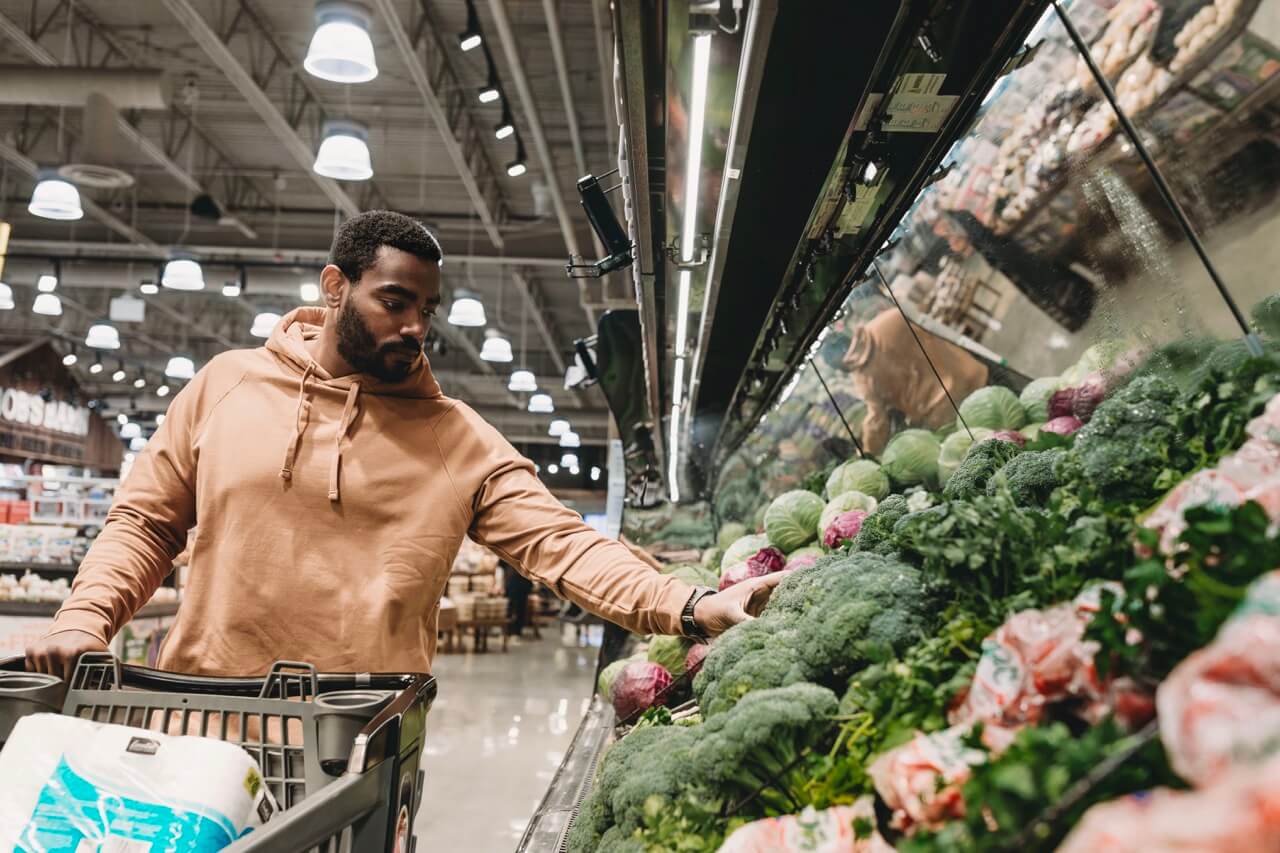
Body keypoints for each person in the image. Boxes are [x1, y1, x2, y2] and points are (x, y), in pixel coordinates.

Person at [26, 211, 780, 680]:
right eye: (394, 300)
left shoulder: (454, 438)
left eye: (427, 309)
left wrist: (692, 603)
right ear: (334, 287)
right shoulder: (227, 385)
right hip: (202, 711)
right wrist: (83, 617)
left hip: (356, 739)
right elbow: (147, 522)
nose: (416, 326)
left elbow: (564, 546)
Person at [842, 307, 989, 454]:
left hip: (947, 415)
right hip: (970, 376)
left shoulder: (862, 379)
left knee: (991, 450)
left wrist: (867, 451)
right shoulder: (892, 317)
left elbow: (877, 422)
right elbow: (937, 330)